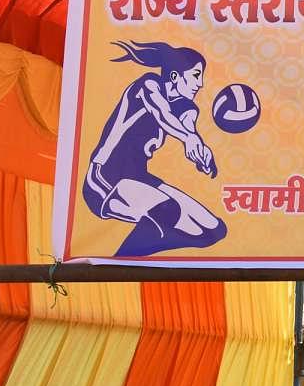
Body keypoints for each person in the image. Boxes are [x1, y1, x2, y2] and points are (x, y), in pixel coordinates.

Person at [82, 40, 227, 256]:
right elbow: (162, 114)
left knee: (214, 230)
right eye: (196, 76)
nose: (200, 84)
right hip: (107, 177)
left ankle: (136, 252)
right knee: (169, 211)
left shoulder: (186, 107)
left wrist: (200, 151)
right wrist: (188, 138)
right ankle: (122, 261)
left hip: (139, 178)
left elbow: (188, 126)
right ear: (175, 76)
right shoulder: (148, 85)